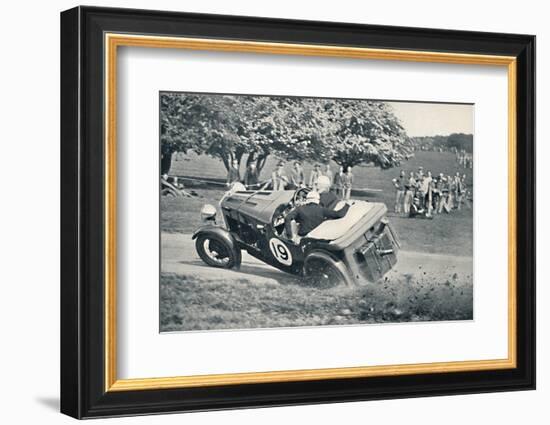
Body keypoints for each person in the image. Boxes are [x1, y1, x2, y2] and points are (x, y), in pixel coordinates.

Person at [284, 191, 350, 242]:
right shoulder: (322, 209)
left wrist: (289, 236)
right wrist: (347, 205)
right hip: (317, 237)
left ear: (307, 199)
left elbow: (287, 218)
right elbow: (339, 214)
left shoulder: (300, 208)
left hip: (303, 237)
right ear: (318, 200)